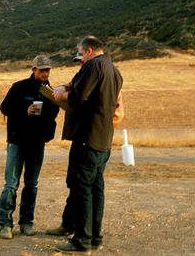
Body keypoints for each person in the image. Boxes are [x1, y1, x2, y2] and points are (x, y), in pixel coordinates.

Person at [50, 36, 123, 254]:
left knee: (82, 189)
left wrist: (62, 94)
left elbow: (80, 95)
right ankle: (95, 238)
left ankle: (82, 241)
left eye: (81, 53)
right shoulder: (114, 70)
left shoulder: (93, 66)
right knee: (96, 189)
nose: (80, 57)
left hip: (87, 138)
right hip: (103, 139)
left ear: (89, 51)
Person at [0, 55, 60, 239]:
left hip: (37, 143)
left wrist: (47, 135)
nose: (45, 73)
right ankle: (5, 224)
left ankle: (26, 222)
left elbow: (53, 116)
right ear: (33, 70)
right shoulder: (18, 87)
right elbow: (4, 108)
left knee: (31, 185)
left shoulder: (51, 92)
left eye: (47, 70)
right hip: (17, 142)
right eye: (41, 70)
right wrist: (24, 111)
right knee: (11, 185)